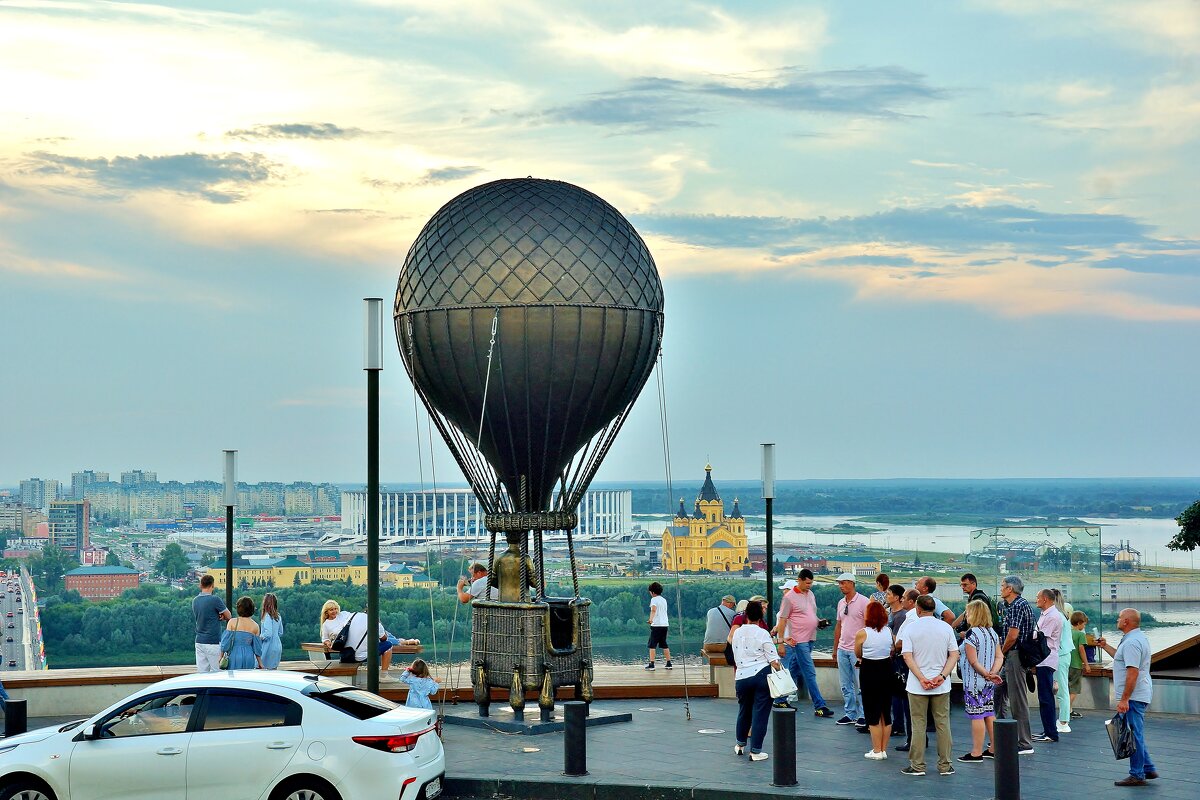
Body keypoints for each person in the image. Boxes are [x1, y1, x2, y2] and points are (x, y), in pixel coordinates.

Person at [1096, 608, 1157, 787]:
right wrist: (1105, 646)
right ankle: (1147, 767)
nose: (1117, 619)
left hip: (1134, 696)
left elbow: (1132, 672)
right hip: (1138, 694)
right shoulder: (1136, 639)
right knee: (1134, 732)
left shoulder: (1132, 643)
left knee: (1133, 734)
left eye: (1120, 617)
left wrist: (1124, 699)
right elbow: (1121, 659)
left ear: (1127, 622)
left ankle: (1137, 774)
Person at [899, 595, 959, 777]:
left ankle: (917, 765)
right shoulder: (945, 628)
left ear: (917, 608)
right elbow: (954, 654)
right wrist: (942, 676)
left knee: (918, 724)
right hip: (941, 686)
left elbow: (907, 656)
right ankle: (945, 765)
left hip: (917, 686)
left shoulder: (911, 628)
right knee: (943, 724)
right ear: (934, 609)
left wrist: (922, 678)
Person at [773, 570, 834, 718]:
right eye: (807, 583)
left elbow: (810, 614)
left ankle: (780, 699)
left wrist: (818, 622)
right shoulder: (789, 598)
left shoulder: (811, 595)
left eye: (811, 583)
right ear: (799, 580)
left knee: (794, 670)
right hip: (798, 640)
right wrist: (780, 642)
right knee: (809, 671)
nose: (810, 585)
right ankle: (819, 705)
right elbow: (782, 620)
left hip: (810, 638)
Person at [731, 599, 782, 762]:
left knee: (743, 710)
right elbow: (774, 660)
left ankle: (740, 745)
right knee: (760, 713)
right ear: (760, 616)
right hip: (761, 676)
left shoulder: (737, 632)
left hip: (741, 677)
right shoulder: (762, 633)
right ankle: (756, 751)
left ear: (746, 615)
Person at [994, 575, 1035, 755]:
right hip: (1012, 655)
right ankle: (1003, 731)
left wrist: (1000, 654)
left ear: (1010, 589)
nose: (1001, 589)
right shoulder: (1015, 605)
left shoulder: (1017, 606)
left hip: (1015, 655)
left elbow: (1012, 635)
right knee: (997, 689)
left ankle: (1024, 742)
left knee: (1017, 699)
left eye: (1003, 586)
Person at [958, 599, 1003, 763]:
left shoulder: (972, 634)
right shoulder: (992, 633)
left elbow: (973, 660)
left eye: (968, 613)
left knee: (976, 715)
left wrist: (985, 673)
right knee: (989, 713)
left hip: (974, 681)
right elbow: (1000, 656)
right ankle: (994, 748)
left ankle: (976, 752)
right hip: (989, 682)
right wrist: (993, 673)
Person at [855, 601, 895, 759]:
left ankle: (876, 750)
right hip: (886, 668)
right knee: (885, 711)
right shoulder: (889, 631)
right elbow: (892, 648)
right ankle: (883, 749)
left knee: (872, 711)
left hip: (870, 670)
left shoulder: (862, 633)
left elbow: (858, 652)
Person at [832, 573, 868, 726]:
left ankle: (863, 714)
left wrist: (863, 649)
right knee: (845, 684)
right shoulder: (841, 602)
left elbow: (868, 627)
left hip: (857, 650)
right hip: (842, 648)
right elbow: (839, 625)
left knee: (860, 683)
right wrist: (835, 649)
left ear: (852, 583)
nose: (841, 586)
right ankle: (850, 713)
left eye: (844, 583)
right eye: (839, 583)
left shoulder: (863, 602)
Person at [1032, 588, 1064, 743]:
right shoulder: (1047, 615)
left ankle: (1051, 733)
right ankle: (1047, 730)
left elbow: (1040, 637)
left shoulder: (1052, 616)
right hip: (1043, 660)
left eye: (1038, 597)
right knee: (1044, 697)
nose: (1036, 599)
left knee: (1046, 698)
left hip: (1046, 660)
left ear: (1045, 599)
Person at [885, 585, 910, 742]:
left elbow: (897, 640)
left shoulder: (901, 616)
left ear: (896, 597)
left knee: (898, 693)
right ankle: (897, 723)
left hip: (897, 659)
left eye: (889, 594)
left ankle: (899, 724)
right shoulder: (891, 613)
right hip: (892, 657)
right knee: (895, 693)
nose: (886, 596)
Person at [193, 575, 231, 673]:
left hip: (199, 641)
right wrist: (221, 616)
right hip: (212, 642)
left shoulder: (195, 600)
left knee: (202, 673)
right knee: (217, 672)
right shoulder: (215, 600)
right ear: (212, 585)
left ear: (201, 585)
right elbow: (228, 616)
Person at [220, 596, 264, 670]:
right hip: (249, 656)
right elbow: (257, 648)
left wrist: (221, 657)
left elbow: (225, 643)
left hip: (234, 655)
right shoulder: (255, 626)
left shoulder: (232, 622)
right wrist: (260, 663)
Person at [1052, 591, 1074, 734]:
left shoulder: (1058, 617)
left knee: (1062, 689)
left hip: (1060, 655)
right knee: (1061, 687)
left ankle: (1064, 721)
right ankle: (1063, 719)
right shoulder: (1062, 616)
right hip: (1063, 654)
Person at [645, 582, 672, 670]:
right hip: (665, 625)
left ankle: (652, 664)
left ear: (652, 592)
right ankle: (669, 663)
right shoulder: (664, 600)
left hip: (656, 625)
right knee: (664, 644)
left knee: (652, 645)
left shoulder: (654, 600)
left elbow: (653, 610)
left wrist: (650, 619)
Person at [1067, 610, 1089, 718]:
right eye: (1084, 624)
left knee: (1067, 688)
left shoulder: (1067, 633)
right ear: (1079, 623)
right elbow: (1081, 650)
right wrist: (1086, 664)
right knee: (1074, 689)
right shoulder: (1080, 635)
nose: (1084, 626)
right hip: (1076, 665)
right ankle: (1066, 710)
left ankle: (1069, 710)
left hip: (1067, 664)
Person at [259, 592, 284, 670]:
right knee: (273, 671)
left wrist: (259, 637)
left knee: (262, 670)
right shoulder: (278, 616)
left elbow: (268, 634)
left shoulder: (267, 616)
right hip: (277, 645)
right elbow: (280, 632)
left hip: (268, 647)